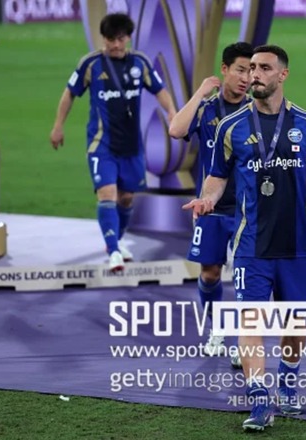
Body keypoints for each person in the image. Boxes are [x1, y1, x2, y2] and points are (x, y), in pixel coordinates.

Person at [183, 45, 306, 431]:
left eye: (265, 68)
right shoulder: (231, 126)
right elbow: (217, 176)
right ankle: (258, 400)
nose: (255, 74)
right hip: (251, 244)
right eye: (252, 67)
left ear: (282, 75)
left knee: (296, 324)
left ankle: (287, 381)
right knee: (250, 323)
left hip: (298, 243)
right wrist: (207, 199)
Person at [50, 13, 177, 272]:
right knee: (107, 193)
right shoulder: (91, 64)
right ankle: (114, 252)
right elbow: (69, 93)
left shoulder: (140, 62)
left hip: (131, 145)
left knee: (127, 198)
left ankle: (115, 242)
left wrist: (173, 113)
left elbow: (160, 90)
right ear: (103, 38)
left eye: (120, 39)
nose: (115, 45)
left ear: (128, 38)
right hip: (101, 144)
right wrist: (58, 126)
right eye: (110, 39)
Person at [168, 42, 253, 367]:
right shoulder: (206, 110)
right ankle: (217, 329)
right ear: (225, 69)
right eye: (241, 70)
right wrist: (200, 93)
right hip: (210, 207)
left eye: (251, 71)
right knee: (210, 273)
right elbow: (176, 129)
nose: (246, 78)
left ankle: (244, 342)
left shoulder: (255, 111)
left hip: (247, 209)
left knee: (248, 277)